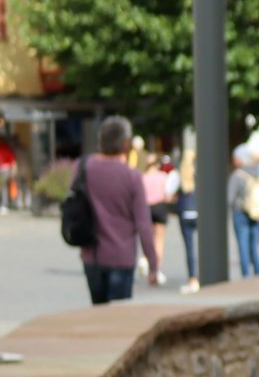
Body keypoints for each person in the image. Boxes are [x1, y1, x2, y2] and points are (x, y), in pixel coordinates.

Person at [77, 116, 159, 304]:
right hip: (121, 256)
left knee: (99, 314)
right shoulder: (131, 177)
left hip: (92, 255)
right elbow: (143, 224)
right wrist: (152, 263)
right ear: (125, 144)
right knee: (119, 320)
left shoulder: (83, 168)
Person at [229, 142, 259, 277]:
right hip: (257, 213)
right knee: (254, 244)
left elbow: (230, 197)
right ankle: (258, 272)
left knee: (243, 244)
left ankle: (246, 275)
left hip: (241, 213)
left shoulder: (238, 175)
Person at [175, 148, 201, 293]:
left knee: (189, 247)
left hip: (185, 213)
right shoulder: (200, 172)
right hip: (198, 212)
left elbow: (169, 190)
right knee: (203, 246)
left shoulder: (180, 175)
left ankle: (193, 278)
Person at [142, 156, 171, 286]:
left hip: (147, 207)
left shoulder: (143, 177)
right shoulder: (163, 177)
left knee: (149, 238)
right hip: (160, 207)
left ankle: (147, 262)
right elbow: (168, 194)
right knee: (159, 240)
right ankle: (156, 269)